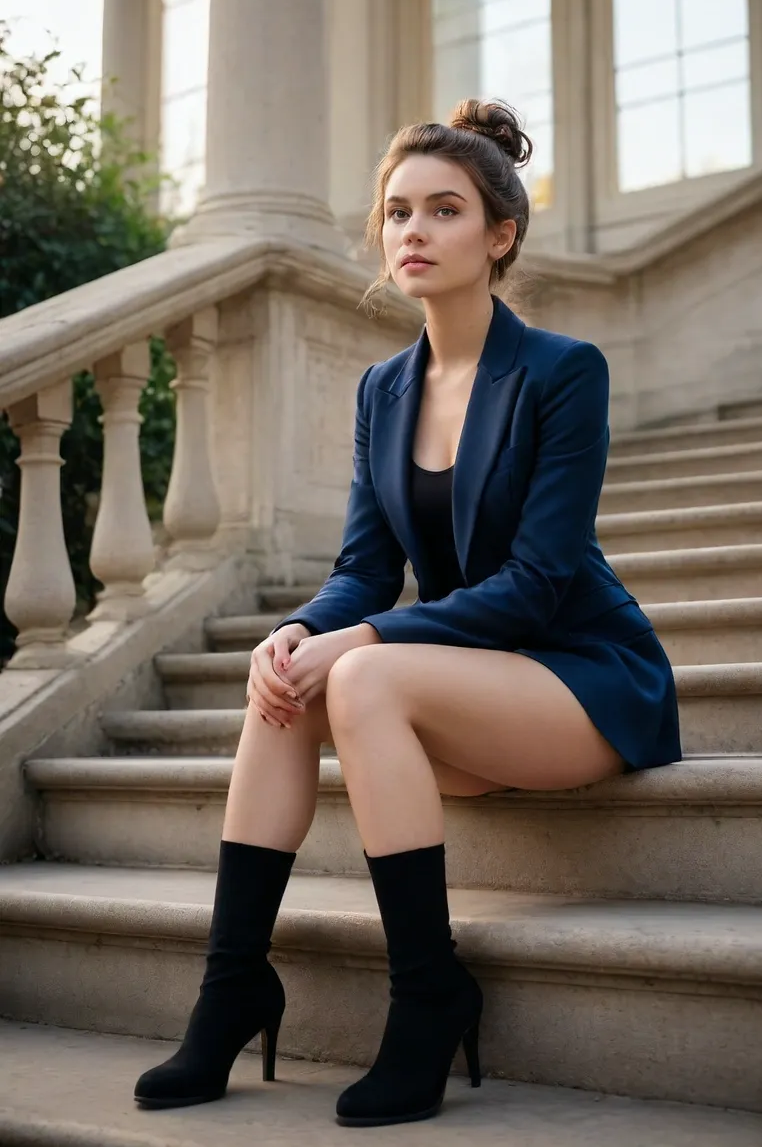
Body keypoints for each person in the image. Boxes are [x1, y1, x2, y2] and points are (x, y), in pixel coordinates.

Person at [134, 99, 682, 1126]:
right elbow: (362, 569)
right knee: (290, 672)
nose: (413, 232)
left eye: (443, 210)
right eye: (397, 212)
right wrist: (299, 629)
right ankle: (231, 984)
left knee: (363, 669)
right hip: (463, 691)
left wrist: (364, 637)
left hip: (580, 677)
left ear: (499, 235)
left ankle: (429, 994)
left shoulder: (562, 372)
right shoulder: (382, 390)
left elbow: (537, 581)